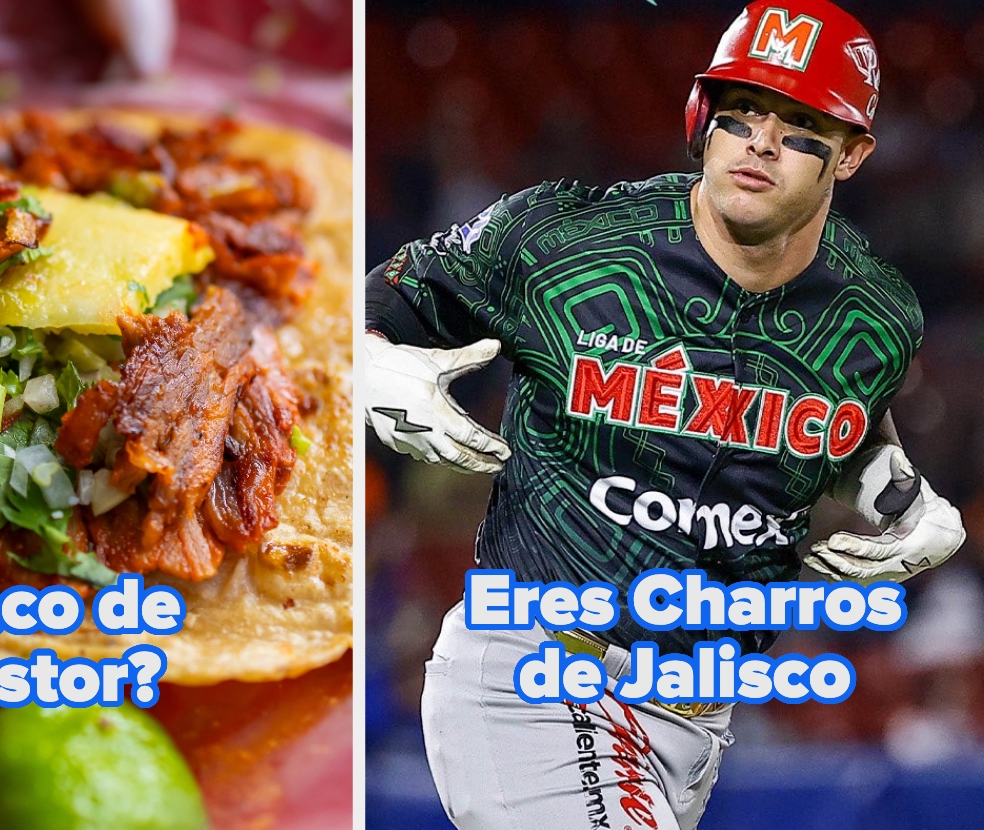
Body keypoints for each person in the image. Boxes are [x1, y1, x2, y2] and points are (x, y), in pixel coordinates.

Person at [363, 1, 967, 828]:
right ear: (700, 116)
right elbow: (392, 292)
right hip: (539, 675)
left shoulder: (876, 317)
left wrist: (897, 496)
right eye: (741, 112)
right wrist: (370, 354)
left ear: (852, 153)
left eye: (798, 125)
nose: (760, 141)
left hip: (699, 723)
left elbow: (837, 425)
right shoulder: (564, 239)